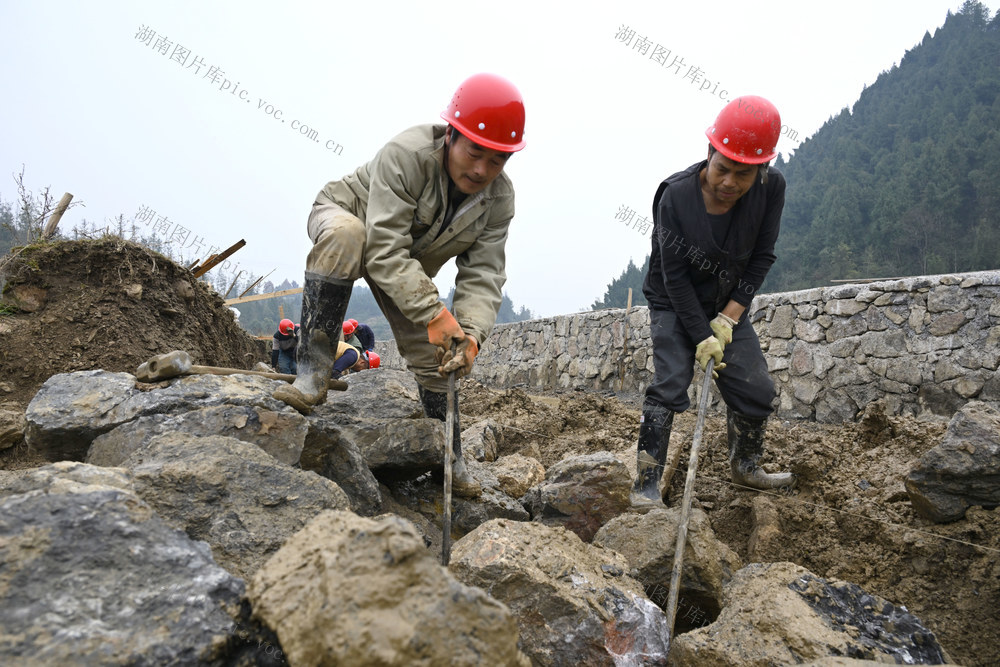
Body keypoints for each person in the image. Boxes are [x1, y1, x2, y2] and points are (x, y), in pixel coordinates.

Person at [274, 73, 527, 498]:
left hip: (401, 262)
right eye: (475, 153)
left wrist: (469, 336)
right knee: (347, 236)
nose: (483, 169)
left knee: (439, 353)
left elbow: (483, 275)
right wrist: (433, 312)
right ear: (451, 135)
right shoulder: (406, 155)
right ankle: (313, 372)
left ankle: (449, 457)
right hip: (350, 219)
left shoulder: (498, 199)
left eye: (497, 160)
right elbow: (384, 249)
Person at [632, 95, 795, 511]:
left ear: (761, 170)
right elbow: (675, 277)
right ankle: (646, 483)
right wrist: (701, 335)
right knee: (670, 383)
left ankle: (745, 465)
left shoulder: (770, 189)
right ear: (709, 154)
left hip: (726, 303)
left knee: (756, 387)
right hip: (674, 300)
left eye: (744, 174)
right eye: (723, 169)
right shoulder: (675, 197)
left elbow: (761, 258)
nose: (730, 183)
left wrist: (727, 320)